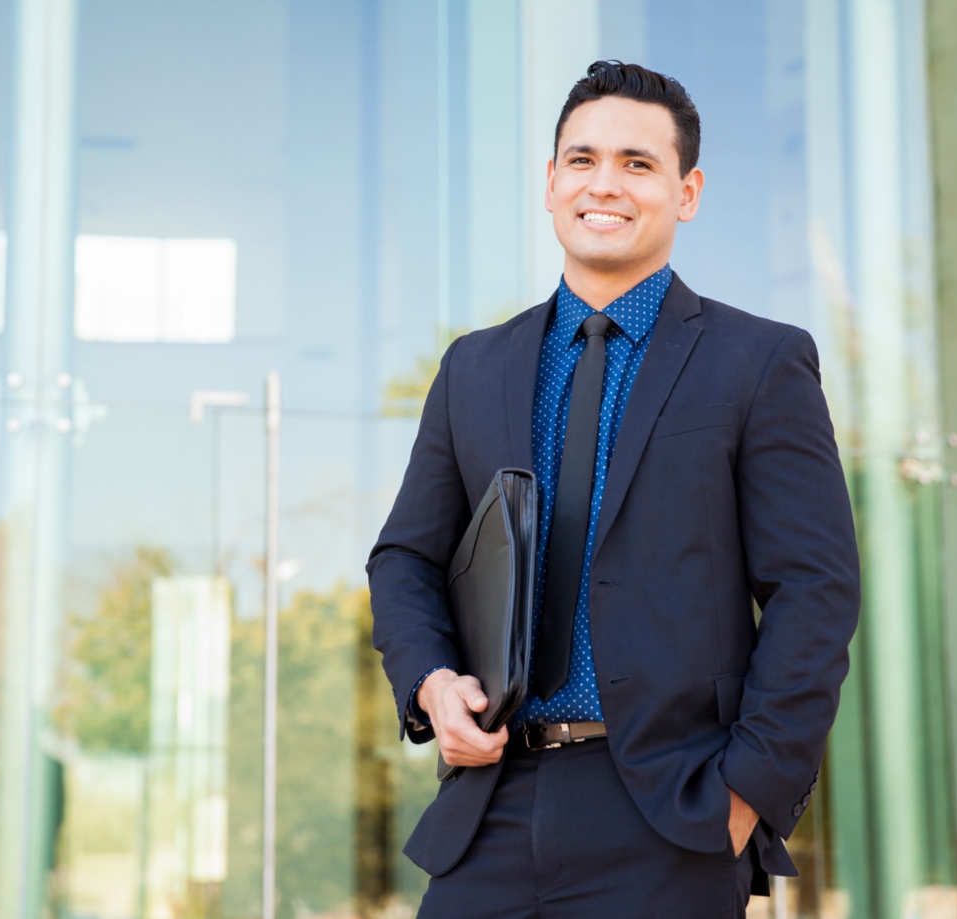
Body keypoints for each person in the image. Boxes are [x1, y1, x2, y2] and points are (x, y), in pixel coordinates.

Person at [367, 60, 860, 918]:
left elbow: (813, 592)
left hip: (672, 815)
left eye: (637, 163)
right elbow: (405, 558)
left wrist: (745, 792)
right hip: (489, 807)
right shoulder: (472, 368)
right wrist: (431, 684)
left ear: (687, 190)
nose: (605, 183)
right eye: (581, 159)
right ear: (551, 183)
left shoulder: (760, 363)